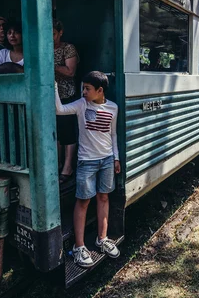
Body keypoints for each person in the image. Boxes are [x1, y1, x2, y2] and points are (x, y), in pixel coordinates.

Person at [55, 71, 120, 268]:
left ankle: (102, 238)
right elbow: (59, 109)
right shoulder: (81, 105)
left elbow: (113, 134)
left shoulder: (113, 107)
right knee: (83, 201)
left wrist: (116, 158)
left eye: (87, 89)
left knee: (103, 197)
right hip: (87, 161)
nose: (83, 91)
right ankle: (79, 246)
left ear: (100, 90)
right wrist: (54, 86)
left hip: (107, 159)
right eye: (83, 88)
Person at [53, 19, 80, 182]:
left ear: (60, 32)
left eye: (53, 34)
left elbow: (70, 71)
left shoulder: (68, 48)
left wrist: (49, 65)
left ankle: (68, 167)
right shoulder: (43, 47)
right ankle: (56, 164)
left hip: (66, 95)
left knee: (67, 133)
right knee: (55, 133)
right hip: (48, 97)